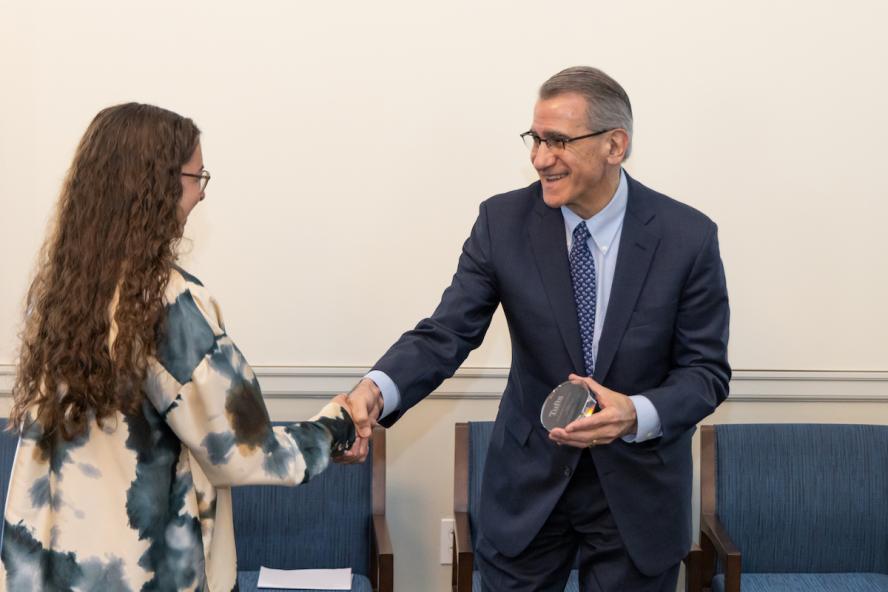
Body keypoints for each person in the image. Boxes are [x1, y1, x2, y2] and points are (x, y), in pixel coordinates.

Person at [340, 67, 730, 591]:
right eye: (536, 139)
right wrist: (374, 389)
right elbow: (446, 332)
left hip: (638, 496)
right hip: (528, 490)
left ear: (616, 145)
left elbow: (705, 372)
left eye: (560, 141)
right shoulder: (502, 223)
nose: (540, 157)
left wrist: (635, 413)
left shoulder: (688, 237)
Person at [0, 103, 355, 591]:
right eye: (196, 178)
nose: (201, 195)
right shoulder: (166, 304)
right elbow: (242, 451)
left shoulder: (68, 295)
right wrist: (339, 425)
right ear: (156, 186)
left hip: (60, 570)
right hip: (146, 573)